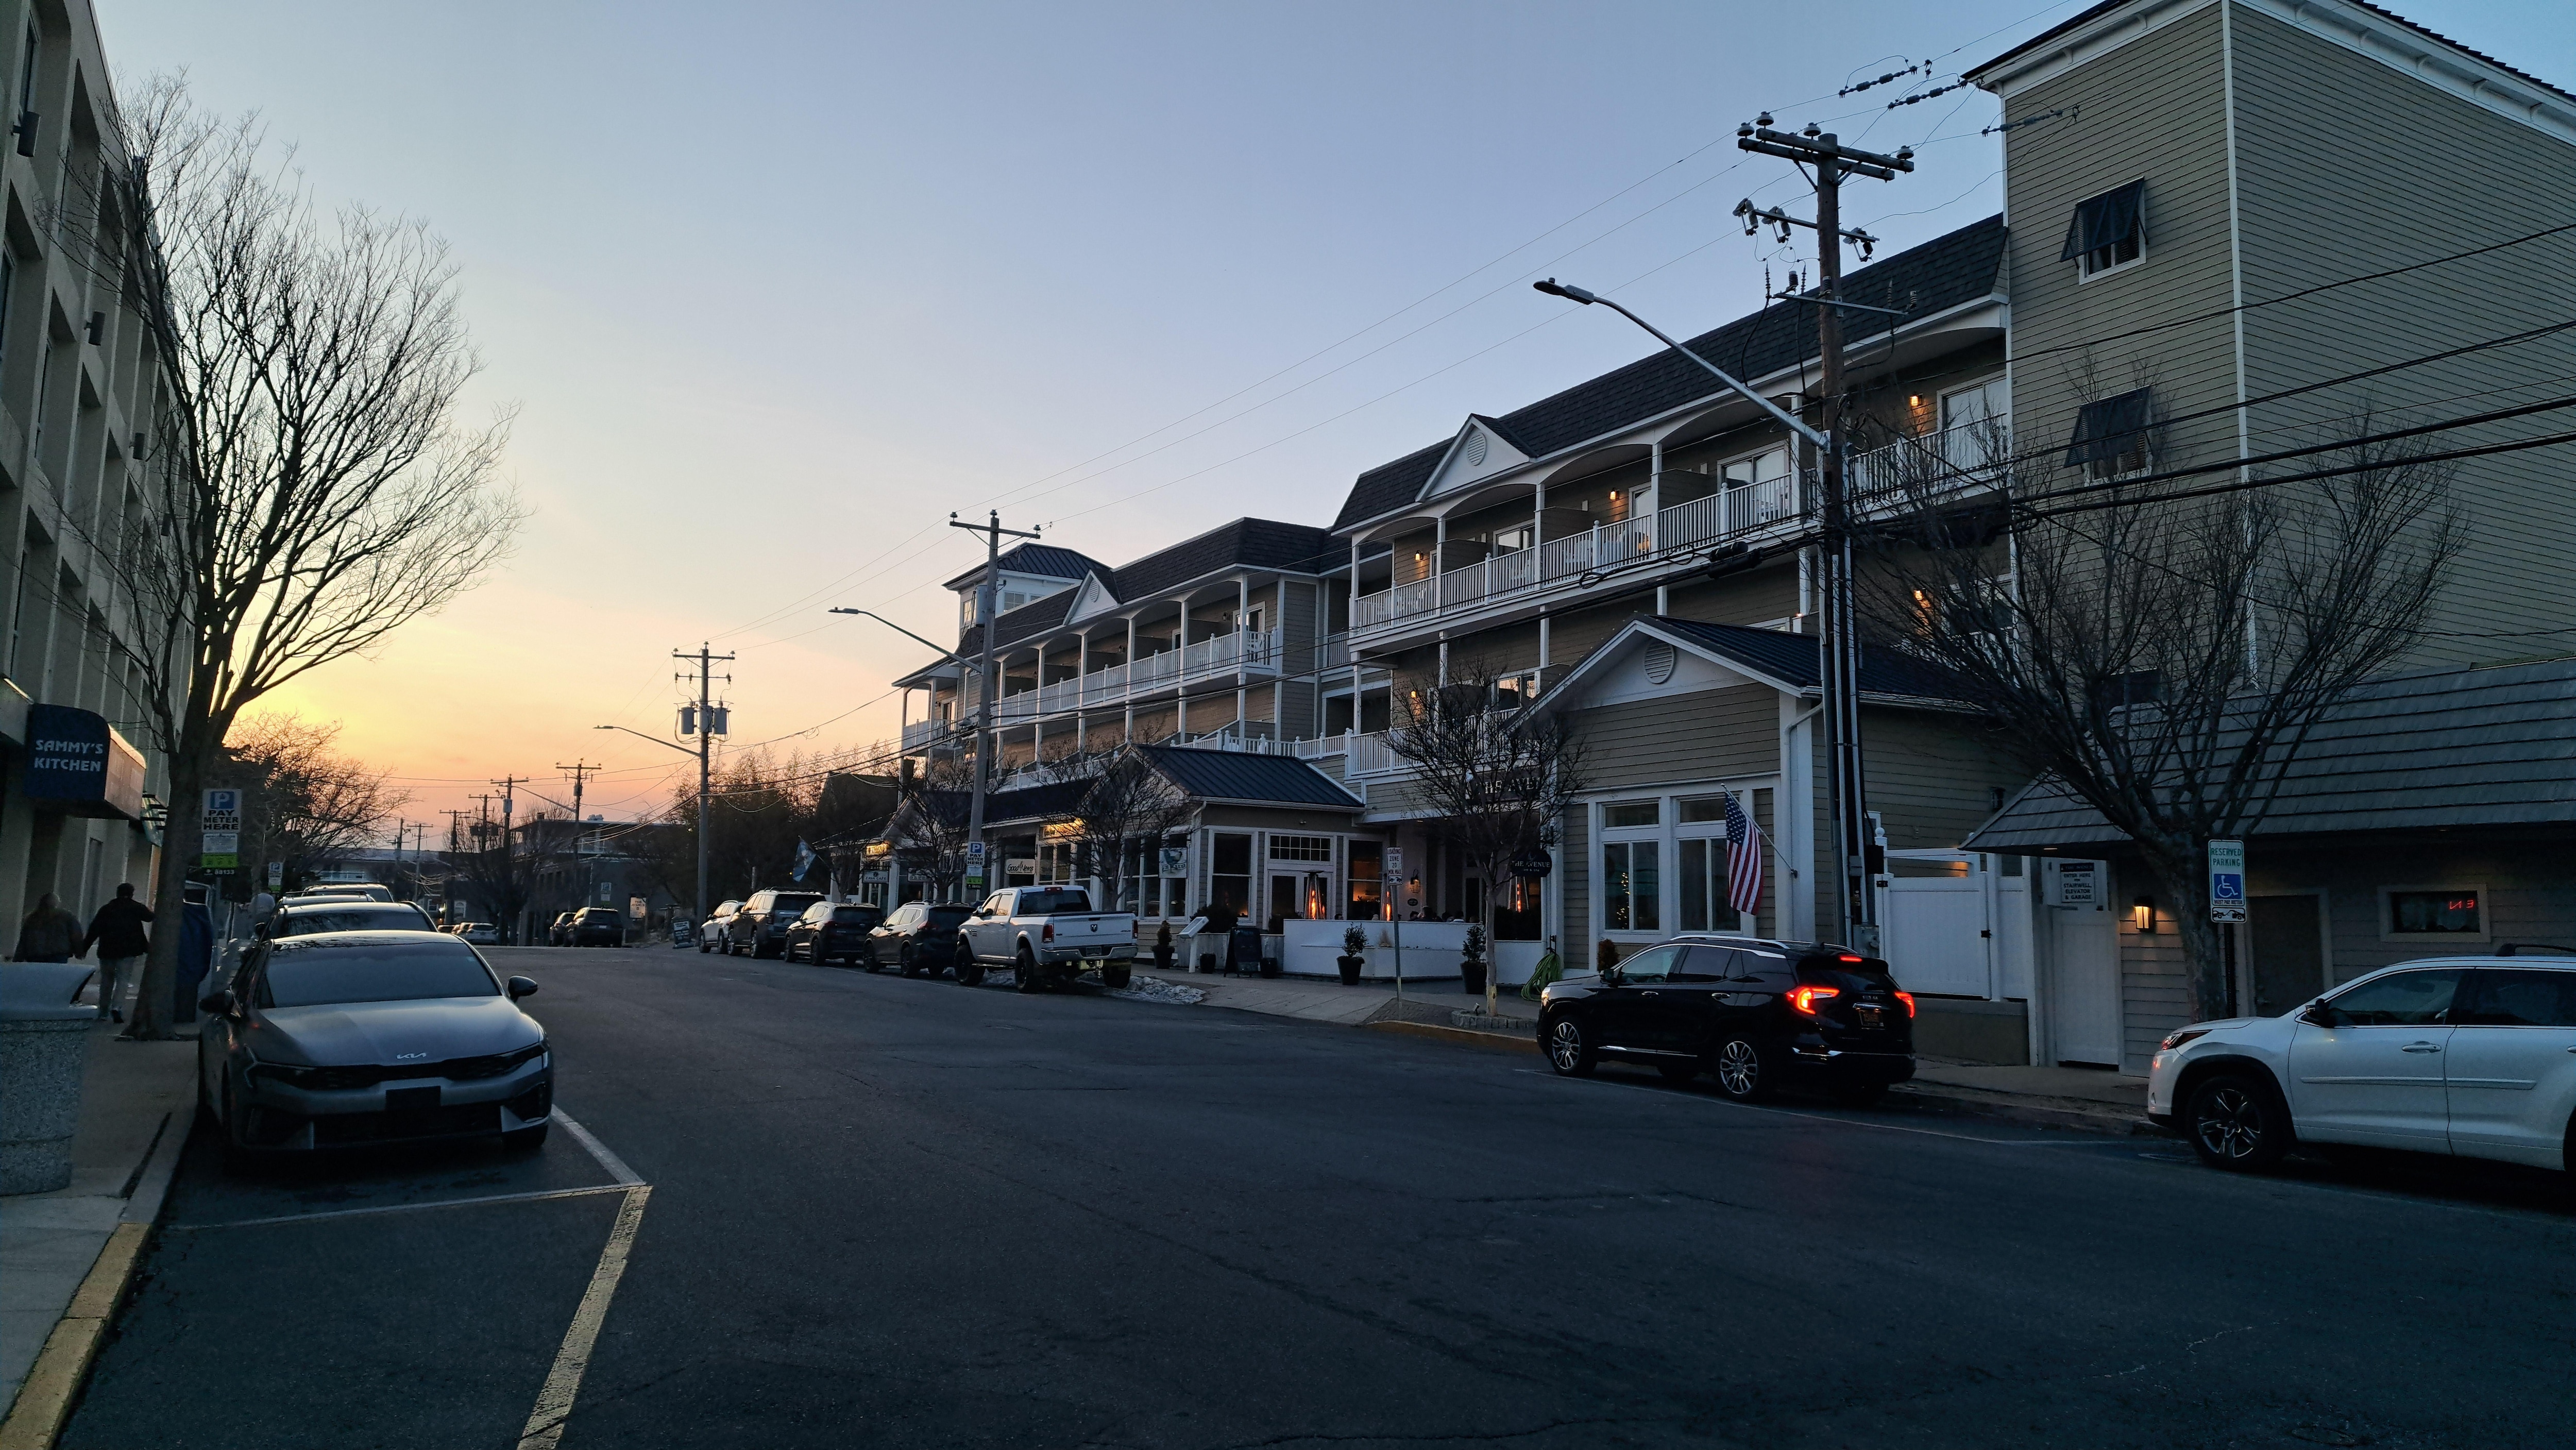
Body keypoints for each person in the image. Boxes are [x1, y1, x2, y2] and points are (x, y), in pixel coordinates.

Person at [82, 884, 155, 1025]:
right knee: (123, 980)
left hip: (107, 950)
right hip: (128, 950)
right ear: (132, 894)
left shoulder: (107, 909)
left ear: (117, 893)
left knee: (106, 981)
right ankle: (117, 1007)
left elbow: (94, 929)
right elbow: (150, 917)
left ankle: (103, 1011)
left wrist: (85, 947)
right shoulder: (136, 908)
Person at [15, 893, 82, 965]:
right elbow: (76, 935)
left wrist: (18, 958)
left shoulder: (32, 919)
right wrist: (79, 951)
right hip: (58, 955)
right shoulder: (67, 917)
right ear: (57, 903)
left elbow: (23, 940)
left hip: (35, 955)